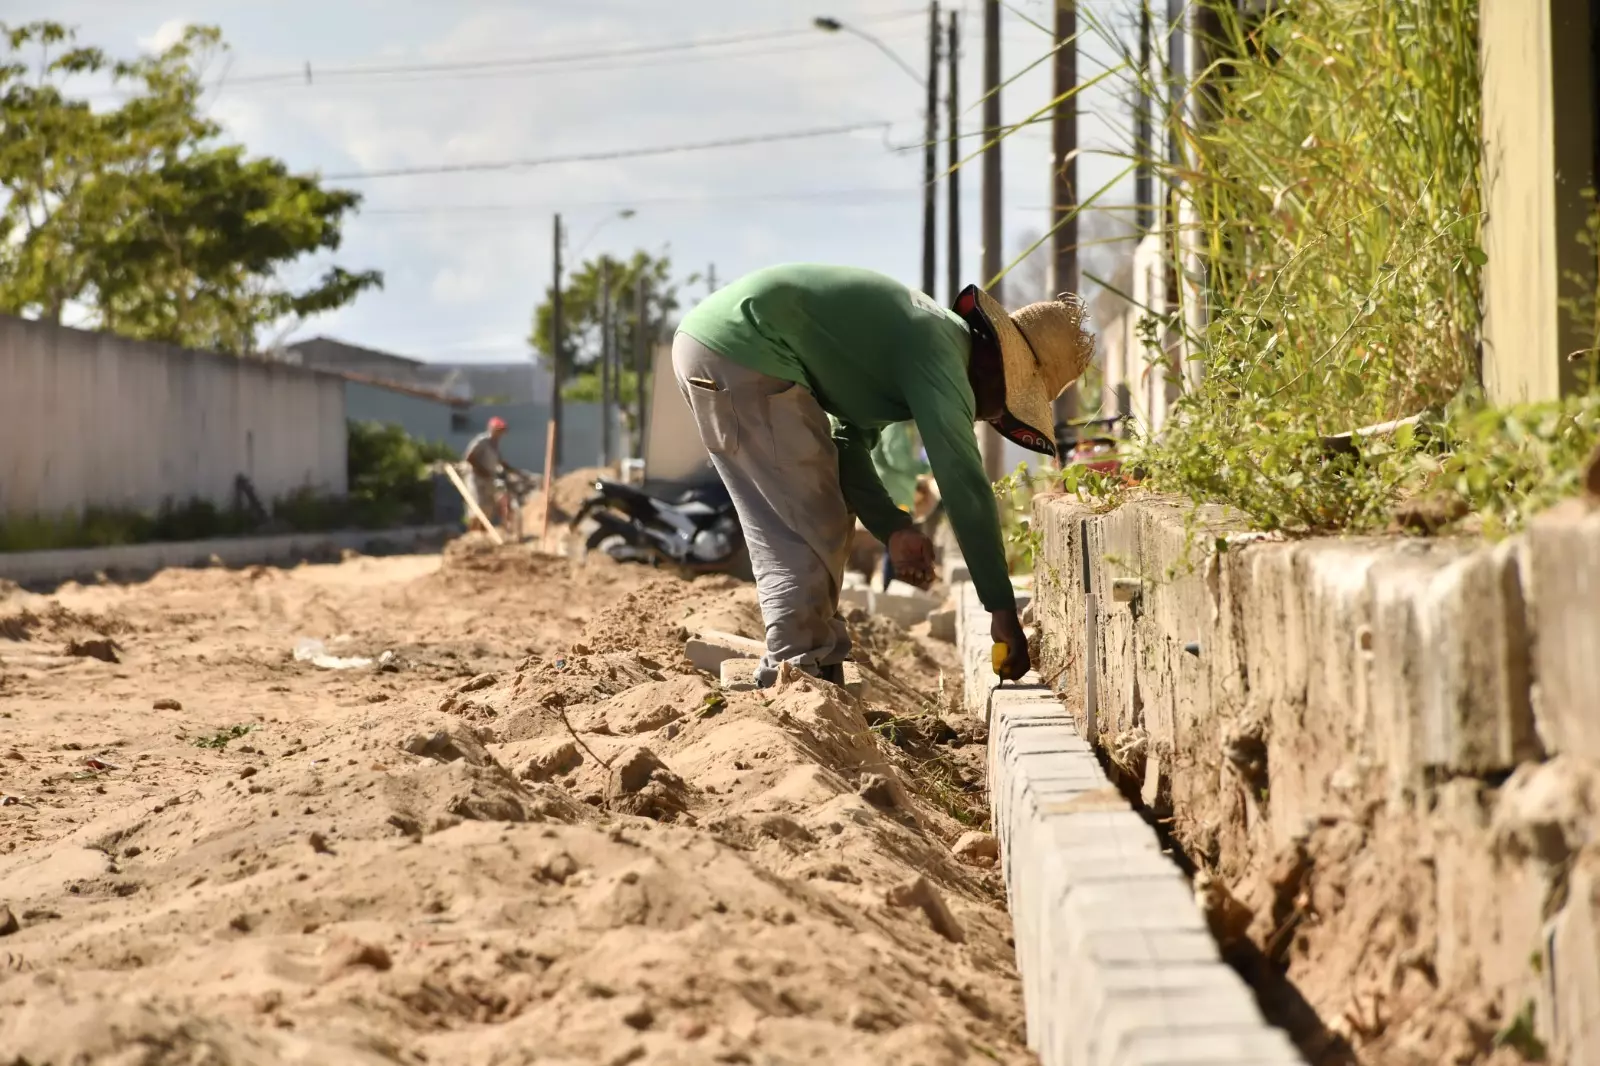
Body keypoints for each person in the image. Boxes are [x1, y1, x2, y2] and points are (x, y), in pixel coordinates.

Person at [674, 263, 1093, 688]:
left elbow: (848, 448)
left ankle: (816, 670)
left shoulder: (919, 341)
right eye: (1007, 405)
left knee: (823, 511)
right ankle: (793, 674)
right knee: (802, 525)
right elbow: (963, 483)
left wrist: (895, 529)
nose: (994, 417)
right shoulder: (940, 353)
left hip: (723, 345)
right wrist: (1002, 611)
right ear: (997, 368)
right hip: (743, 349)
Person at [869, 421, 930, 589]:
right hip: (896, 496)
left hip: (894, 492)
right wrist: (924, 467)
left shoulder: (890, 424)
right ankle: (892, 587)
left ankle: (892, 587)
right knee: (898, 537)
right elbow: (897, 460)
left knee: (894, 539)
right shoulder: (893, 425)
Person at [462, 417, 513, 531]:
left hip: (488, 478)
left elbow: (498, 460)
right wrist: (482, 470)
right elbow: (469, 457)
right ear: (493, 429)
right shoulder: (482, 441)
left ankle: (483, 534)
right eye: (499, 430)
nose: (501, 433)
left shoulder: (495, 444)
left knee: (488, 509)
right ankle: (473, 534)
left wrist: (510, 469)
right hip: (476, 478)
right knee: (477, 506)